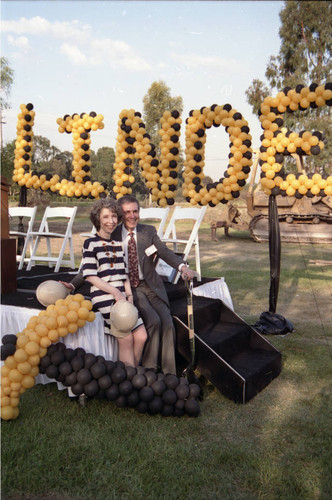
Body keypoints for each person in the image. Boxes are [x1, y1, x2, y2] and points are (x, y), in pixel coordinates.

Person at [66, 195, 195, 375]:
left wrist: (182, 267)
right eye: (127, 212)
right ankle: (149, 370)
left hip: (151, 286)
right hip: (131, 289)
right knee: (154, 321)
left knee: (167, 322)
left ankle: (170, 374)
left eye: (135, 211)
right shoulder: (113, 233)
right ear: (120, 214)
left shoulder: (148, 231)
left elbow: (164, 252)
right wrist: (72, 285)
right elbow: (89, 267)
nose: (132, 216)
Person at [79, 198, 147, 368]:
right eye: (106, 217)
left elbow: (124, 275)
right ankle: (131, 378)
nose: (111, 221)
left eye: (114, 216)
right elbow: (90, 276)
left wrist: (128, 295)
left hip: (122, 294)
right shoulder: (90, 243)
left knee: (141, 336)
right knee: (126, 338)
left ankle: (128, 372)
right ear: (98, 220)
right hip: (104, 294)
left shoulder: (118, 244)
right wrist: (115, 293)